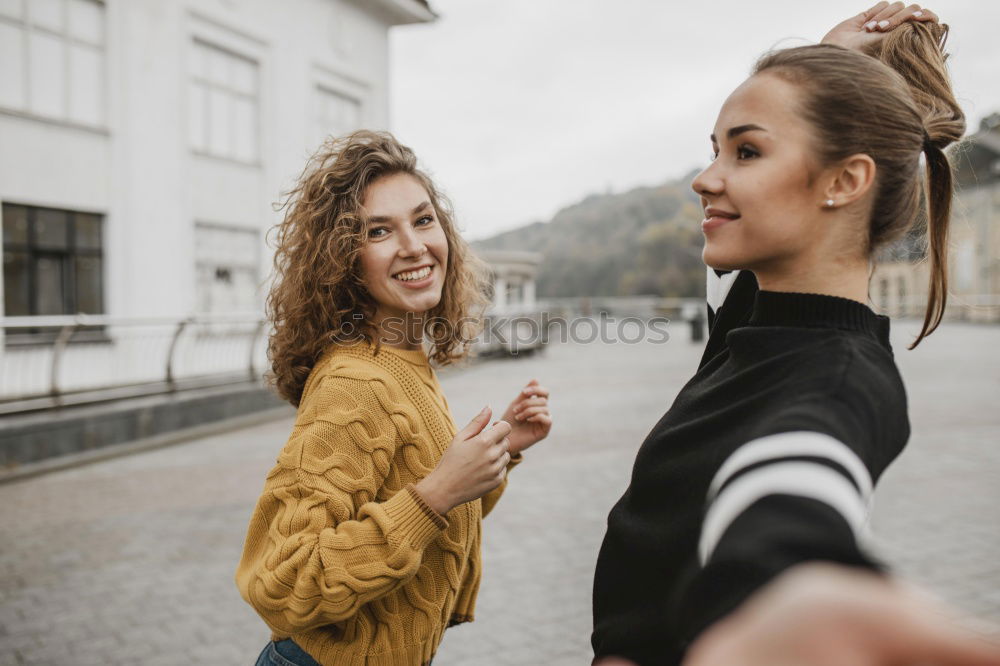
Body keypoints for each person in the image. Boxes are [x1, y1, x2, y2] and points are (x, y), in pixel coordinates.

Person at [591, 3, 996, 665]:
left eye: (745, 151)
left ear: (846, 180)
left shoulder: (843, 380)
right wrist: (829, 57)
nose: (705, 178)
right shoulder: (759, 317)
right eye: (715, 149)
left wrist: (788, 580)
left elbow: (791, 482)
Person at [235, 130, 553, 666]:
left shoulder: (404, 360)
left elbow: (434, 511)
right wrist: (433, 493)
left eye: (423, 219)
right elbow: (286, 580)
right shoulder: (355, 384)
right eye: (379, 230)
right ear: (343, 259)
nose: (413, 245)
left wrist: (500, 452)